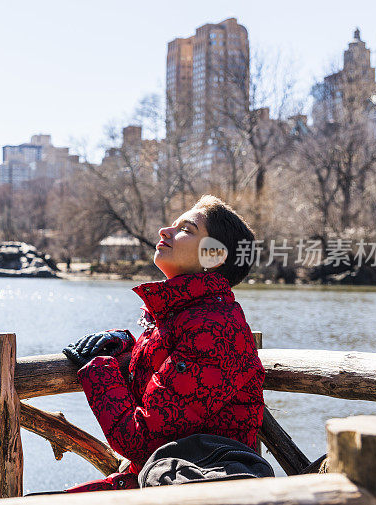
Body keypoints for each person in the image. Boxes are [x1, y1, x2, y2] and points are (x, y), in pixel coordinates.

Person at [61, 194, 267, 492]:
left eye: (186, 229)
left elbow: (142, 439)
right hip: (167, 478)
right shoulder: (185, 315)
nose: (165, 232)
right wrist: (125, 346)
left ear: (213, 255)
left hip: (199, 485)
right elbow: (170, 376)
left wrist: (97, 371)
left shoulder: (214, 329)